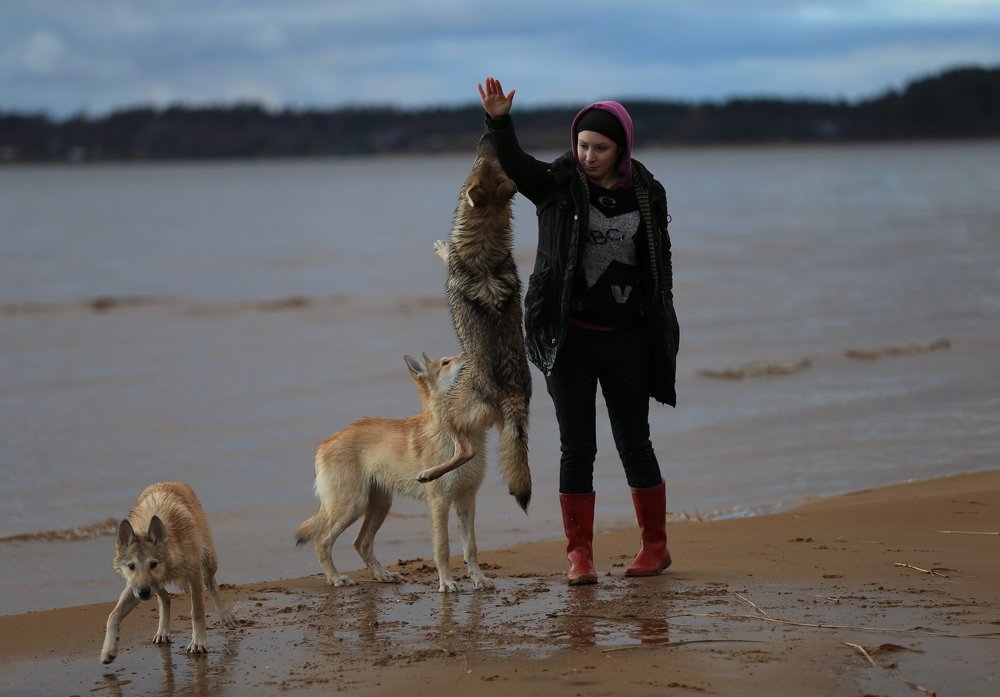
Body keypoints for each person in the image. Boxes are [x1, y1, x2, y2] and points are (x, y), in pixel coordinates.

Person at [477, 76, 679, 585]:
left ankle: (655, 547)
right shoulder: (558, 186)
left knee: (635, 442)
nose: (589, 156)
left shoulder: (647, 194)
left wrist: (661, 332)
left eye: (600, 148)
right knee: (577, 446)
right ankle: (580, 557)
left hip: (628, 339)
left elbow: (660, 270)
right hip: (568, 340)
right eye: (583, 145)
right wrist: (499, 122)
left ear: (621, 148)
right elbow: (515, 164)